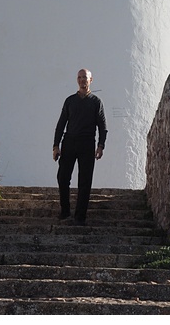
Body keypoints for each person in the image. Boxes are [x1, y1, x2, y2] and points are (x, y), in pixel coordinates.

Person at [53, 68, 107, 226]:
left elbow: (102, 126)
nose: (82, 80)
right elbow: (61, 124)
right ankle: (65, 212)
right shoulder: (69, 101)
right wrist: (56, 146)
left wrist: (101, 145)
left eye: (85, 77)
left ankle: (80, 217)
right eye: (80, 77)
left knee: (85, 180)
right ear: (77, 80)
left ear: (91, 80)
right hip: (69, 142)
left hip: (87, 143)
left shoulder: (96, 102)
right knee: (62, 177)